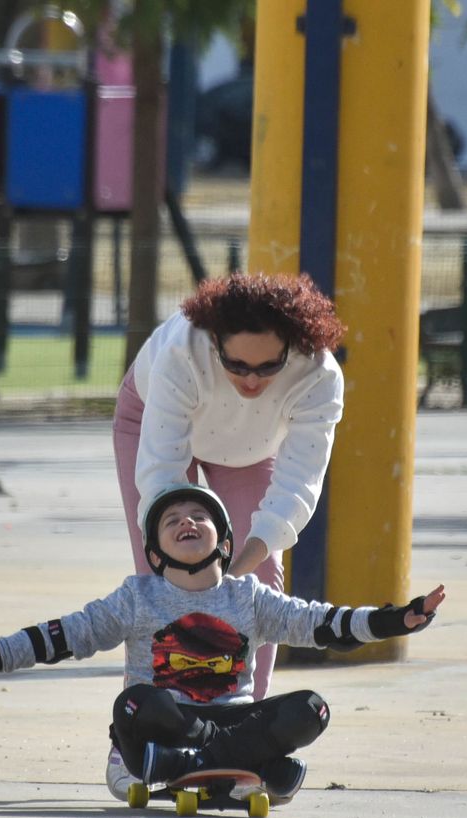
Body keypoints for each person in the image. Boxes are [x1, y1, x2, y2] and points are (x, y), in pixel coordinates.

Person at [0, 484, 445, 804]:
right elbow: (55, 638)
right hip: (162, 718)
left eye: (200, 517)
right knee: (138, 702)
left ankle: (184, 765)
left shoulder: (250, 597)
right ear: (156, 552)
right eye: (171, 521)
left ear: (225, 542)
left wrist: (400, 620)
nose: (187, 521)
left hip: (233, 718)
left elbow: (325, 624)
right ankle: (247, 768)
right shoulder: (137, 597)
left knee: (313, 707)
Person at [114, 272, 345, 704]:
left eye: (267, 367)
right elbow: (162, 475)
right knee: (160, 584)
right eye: (236, 365)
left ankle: (244, 725)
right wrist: (188, 577)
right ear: (215, 342)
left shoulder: (320, 376)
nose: (251, 382)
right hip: (150, 422)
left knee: (258, 583)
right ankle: (140, 728)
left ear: (293, 350)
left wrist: (231, 579)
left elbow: (296, 488)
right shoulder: (183, 348)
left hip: (248, 450)